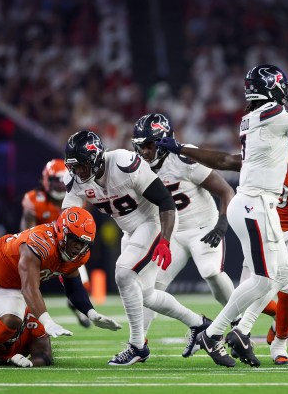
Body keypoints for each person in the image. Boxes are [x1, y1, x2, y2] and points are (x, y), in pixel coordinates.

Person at [158, 64, 288, 367]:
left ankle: (240, 332)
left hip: (258, 204)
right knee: (262, 280)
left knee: (282, 275)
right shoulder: (269, 114)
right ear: (274, 88)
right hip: (255, 203)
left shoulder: (256, 119)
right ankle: (216, 333)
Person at [62, 130, 211, 366]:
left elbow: (165, 200)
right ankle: (199, 324)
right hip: (130, 231)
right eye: (74, 166)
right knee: (145, 294)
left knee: (123, 273)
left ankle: (137, 346)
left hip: (152, 222)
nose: (78, 171)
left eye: (82, 165)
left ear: (97, 157)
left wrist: (165, 238)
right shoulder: (76, 181)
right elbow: (66, 218)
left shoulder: (123, 163)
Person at [0, 207, 120, 367]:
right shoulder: (39, 243)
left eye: (83, 242)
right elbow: (29, 288)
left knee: (12, 320)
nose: (78, 246)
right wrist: (47, 321)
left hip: (9, 288)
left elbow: (73, 285)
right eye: (75, 239)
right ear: (62, 233)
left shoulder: (78, 255)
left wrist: (91, 313)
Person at [131, 113, 234, 355]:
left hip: (202, 227)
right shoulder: (138, 167)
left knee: (210, 271)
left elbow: (226, 190)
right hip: (173, 232)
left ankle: (239, 324)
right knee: (150, 288)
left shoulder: (184, 159)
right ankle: (139, 343)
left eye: (149, 145)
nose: (144, 151)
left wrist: (221, 225)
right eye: (141, 146)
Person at [21, 158, 92, 328]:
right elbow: (25, 234)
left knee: (84, 285)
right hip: (42, 251)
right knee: (26, 286)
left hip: (67, 251)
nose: (60, 186)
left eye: (62, 181)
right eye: (55, 181)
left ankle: (77, 305)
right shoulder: (34, 200)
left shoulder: (76, 197)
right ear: (46, 180)